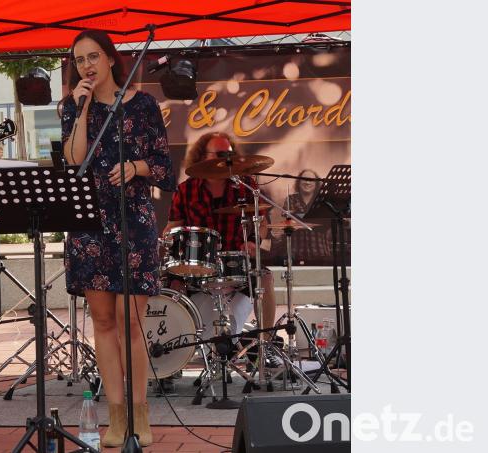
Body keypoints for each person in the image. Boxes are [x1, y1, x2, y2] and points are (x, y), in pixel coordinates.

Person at [60, 29, 175, 448]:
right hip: (89, 224)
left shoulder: (143, 104)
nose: (86, 65)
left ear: (110, 59)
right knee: (104, 323)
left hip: (133, 222)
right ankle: (116, 416)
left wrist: (136, 167)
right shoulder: (74, 106)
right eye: (79, 59)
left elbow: (166, 167)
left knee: (130, 321)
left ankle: (140, 412)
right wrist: (81, 108)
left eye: (93, 56)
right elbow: (74, 161)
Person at [163, 132, 280, 368]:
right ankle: (171, 358)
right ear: (202, 156)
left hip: (234, 262)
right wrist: (166, 238)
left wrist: (254, 243)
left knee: (264, 278)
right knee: (169, 286)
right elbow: (172, 227)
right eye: (219, 154)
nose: (225, 159)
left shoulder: (245, 187)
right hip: (196, 264)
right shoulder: (186, 190)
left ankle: (264, 345)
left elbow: (263, 223)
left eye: (229, 154)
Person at [270, 169, 333, 265]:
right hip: (296, 252)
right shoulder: (291, 199)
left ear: (316, 184)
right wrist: (315, 219)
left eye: (311, 180)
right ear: (298, 182)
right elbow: (290, 221)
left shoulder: (323, 200)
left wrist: (300, 217)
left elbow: (326, 224)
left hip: (320, 251)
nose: (307, 182)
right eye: (304, 179)